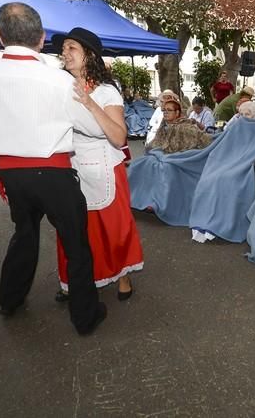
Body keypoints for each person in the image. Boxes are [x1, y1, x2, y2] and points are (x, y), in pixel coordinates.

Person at [0, 2, 106, 335]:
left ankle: (10, 299)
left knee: (24, 235)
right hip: (56, 173)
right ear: (42, 37)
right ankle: (85, 316)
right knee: (75, 243)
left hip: (13, 174)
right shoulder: (58, 80)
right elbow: (93, 128)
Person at [51, 27, 144, 303]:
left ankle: (122, 275)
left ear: (89, 55)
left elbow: (118, 137)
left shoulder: (106, 92)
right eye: (64, 48)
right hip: (70, 163)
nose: (65, 53)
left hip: (104, 165)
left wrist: (90, 103)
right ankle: (73, 281)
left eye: (71, 48)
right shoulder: (59, 87)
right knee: (73, 227)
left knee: (112, 227)